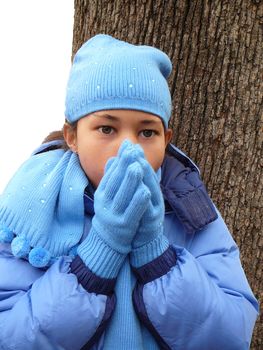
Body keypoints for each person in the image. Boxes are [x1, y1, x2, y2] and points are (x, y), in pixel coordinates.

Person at [0, 34, 258, 350]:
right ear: (72, 136)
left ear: (166, 138)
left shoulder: (192, 211)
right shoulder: (27, 208)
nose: (128, 147)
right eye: (107, 128)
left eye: (147, 132)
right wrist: (99, 254)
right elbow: (11, 337)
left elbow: (229, 336)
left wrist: (156, 255)